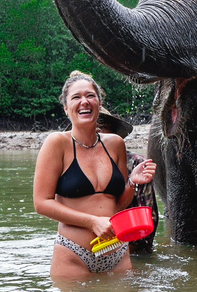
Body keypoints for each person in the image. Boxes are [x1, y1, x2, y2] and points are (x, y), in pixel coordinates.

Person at [33, 70, 156, 279]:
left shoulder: (116, 144)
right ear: (65, 108)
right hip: (74, 254)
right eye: (76, 97)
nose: (84, 102)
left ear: (99, 103)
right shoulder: (57, 143)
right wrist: (92, 222)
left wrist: (133, 183)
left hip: (117, 251)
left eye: (90, 96)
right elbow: (41, 203)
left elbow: (116, 205)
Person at [96, 105, 159, 253]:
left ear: (113, 132)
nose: (96, 134)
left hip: (130, 247)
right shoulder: (77, 165)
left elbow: (149, 222)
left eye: (100, 128)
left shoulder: (137, 164)